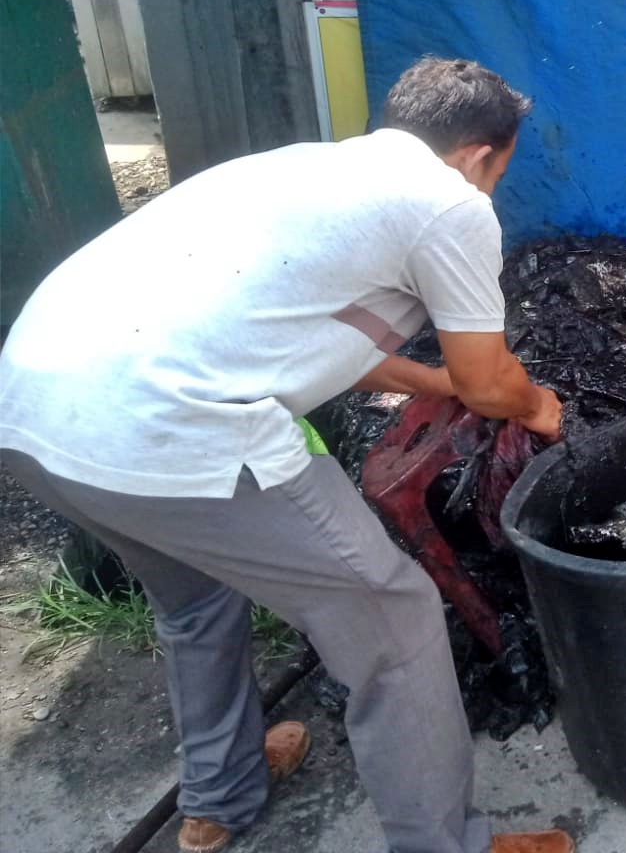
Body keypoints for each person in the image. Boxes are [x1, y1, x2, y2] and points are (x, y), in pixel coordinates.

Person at [0, 59, 574, 853]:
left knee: (197, 602)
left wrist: (429, 379)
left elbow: (314, 332)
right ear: (482, 154)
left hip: (37, 417)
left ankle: (218, 798)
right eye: (497, 173)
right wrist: (539, 406)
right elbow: (489, 380)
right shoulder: (448, 204)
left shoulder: (299, 172)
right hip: (170, 432)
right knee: (394, 616)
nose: (492, 192)